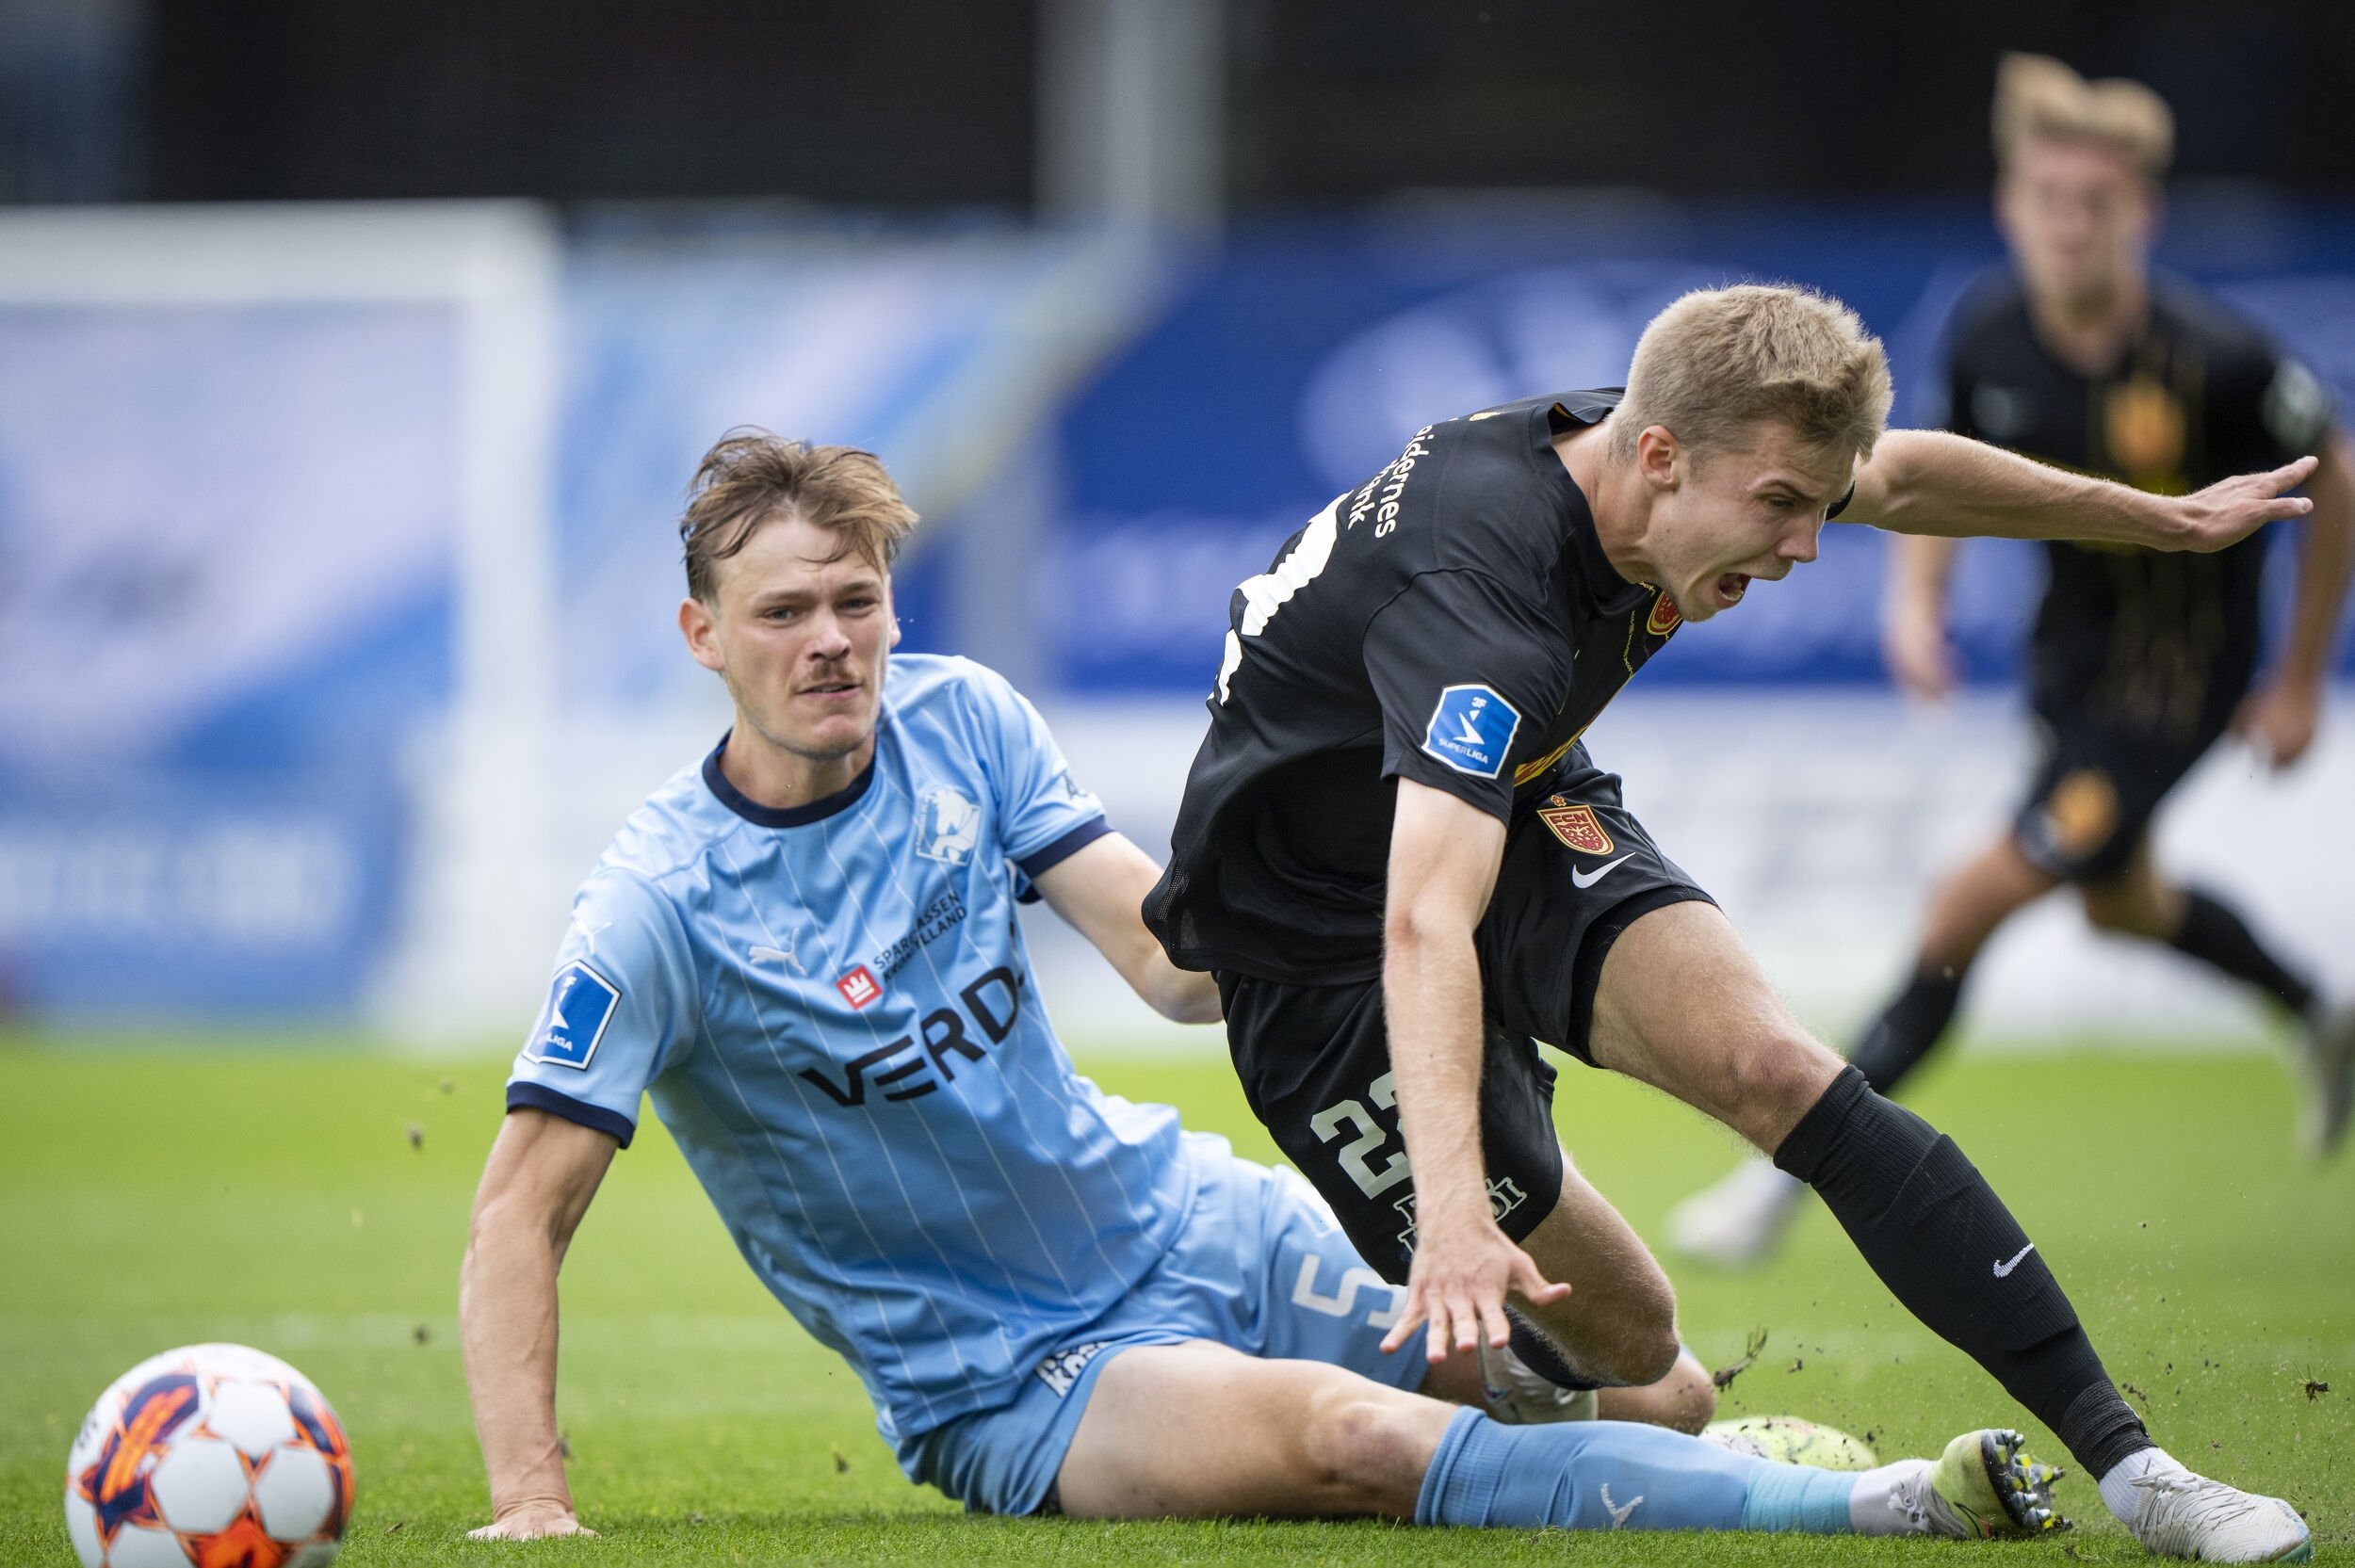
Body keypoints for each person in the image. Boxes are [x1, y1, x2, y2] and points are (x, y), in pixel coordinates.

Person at [455, 430, 2063, 1544]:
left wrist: (1424, 918)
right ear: (702, 636)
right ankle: (1886, 1503)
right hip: (1016, 1376)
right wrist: (532, 1498)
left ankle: (1711, 1461)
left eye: (856, 600)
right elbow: (521, 1207)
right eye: (783, 613)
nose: (831, 641)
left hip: (1186, 1217)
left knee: (1656, 1380)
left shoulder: (965, 725)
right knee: (1357, 1440)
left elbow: (1169, 963)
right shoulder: (659, 902)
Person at [1142, 273, 2321, 1559]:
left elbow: (1908, 478)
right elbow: (1424, 920)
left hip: (1512, 805)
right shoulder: (1485, 605)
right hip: (1312, 952)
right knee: (1646, 1357)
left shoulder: (1682, 442)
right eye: (1779, 510)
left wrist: (2155, 521)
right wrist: (1454, 1203)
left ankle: (2141, 1471)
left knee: (1778, 1067)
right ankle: (1330, 1368)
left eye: (1817, 507)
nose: (1805, 546)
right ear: (1657, 457)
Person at [1667, 55, 2355, 1275]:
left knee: (1964, 905)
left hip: (2175, 690)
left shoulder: (2219, 359)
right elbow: (1932, 469)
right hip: (2069, 678)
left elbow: (2332, 474)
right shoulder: (1988, 330)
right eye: (2050, 199)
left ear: (2139, 212)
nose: (2071, 226)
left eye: (2097, 204)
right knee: (2122, 901)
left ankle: (1781, 1181)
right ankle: (2320, 1011)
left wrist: (2299, 677)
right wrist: (1914, 604)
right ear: (2012, 207)